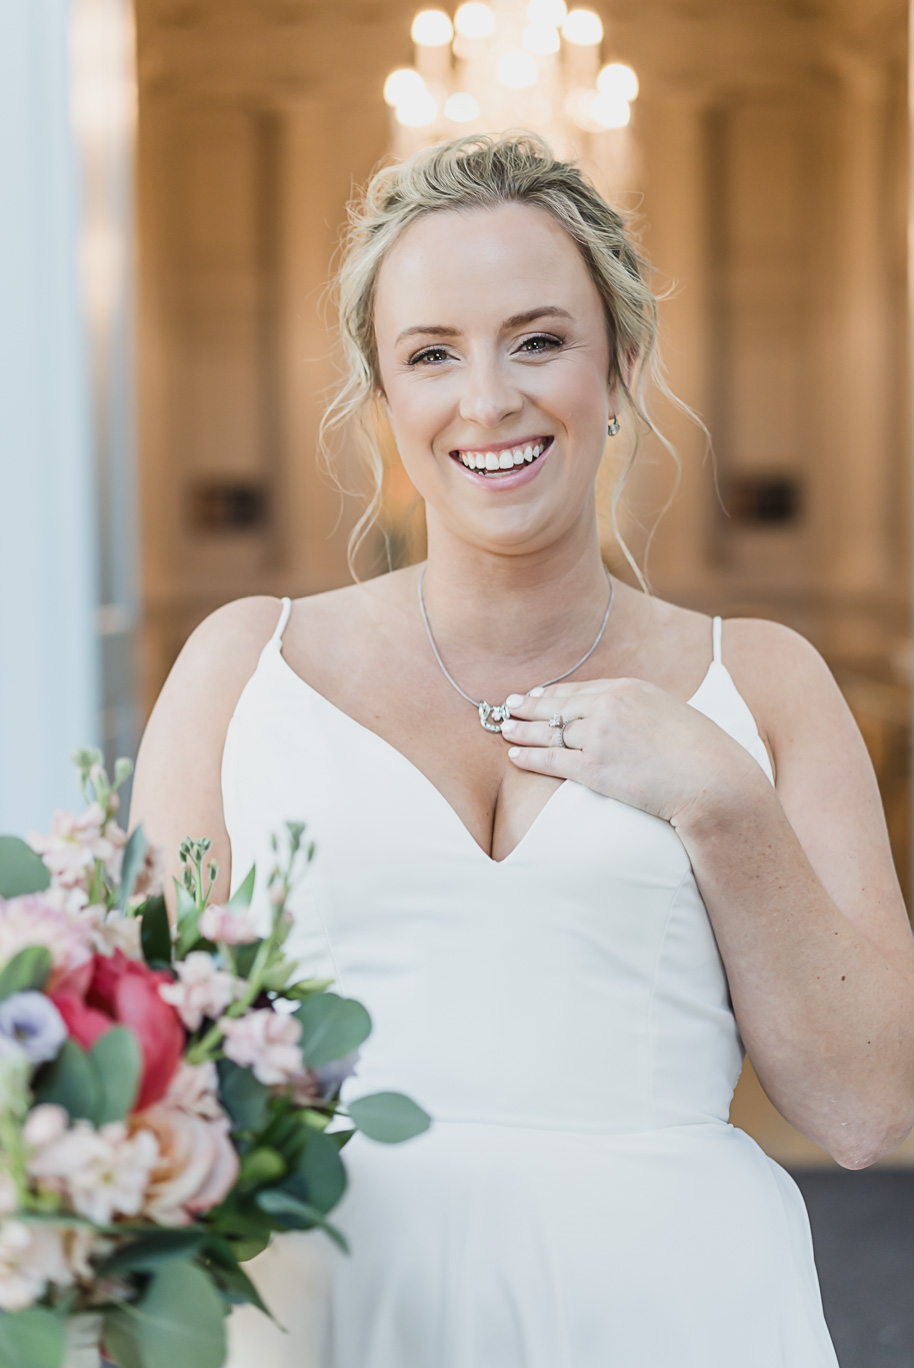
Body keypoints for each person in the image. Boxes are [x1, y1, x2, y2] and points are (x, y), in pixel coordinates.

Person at [129, 131, 914, 1367]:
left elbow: (869, 1109)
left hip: (677, 1316)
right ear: (383, 399)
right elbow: (143, 1078)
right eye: (430, 354)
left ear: (619, 367)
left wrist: (719, 801)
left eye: (538, 339)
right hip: (330, 1317)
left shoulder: (762, 684)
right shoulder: (243, 670)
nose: (487, 399)